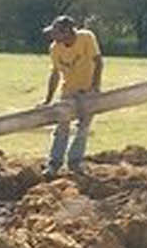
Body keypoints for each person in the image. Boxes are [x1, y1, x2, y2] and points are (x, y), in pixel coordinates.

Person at [42, 15, 103, 176]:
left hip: (88, 90)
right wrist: (48, 100)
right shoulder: (55, 48)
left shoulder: (86, 38)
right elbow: (55, 74)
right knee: (62, 126)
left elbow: (98, 62)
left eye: (56, 32)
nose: (53, 36)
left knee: (83, 127)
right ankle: (54, 163)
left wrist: (95, 88)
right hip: (68, 90)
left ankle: (75, 162)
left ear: (67, 32)